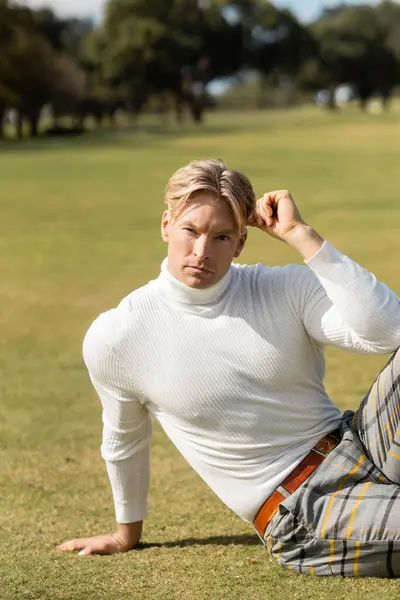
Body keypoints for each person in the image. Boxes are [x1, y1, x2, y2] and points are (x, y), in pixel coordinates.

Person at [57, 159, 400, 577]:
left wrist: (300, 235)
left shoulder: (282, 288)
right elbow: (124, 440)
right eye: (190, 231)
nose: (202, 252)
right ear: (166, 225)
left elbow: (388, 332)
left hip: (360, 444)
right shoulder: (118, 335)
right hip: (300, 508)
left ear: (240, 243)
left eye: (221, 237)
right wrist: (125, 533)